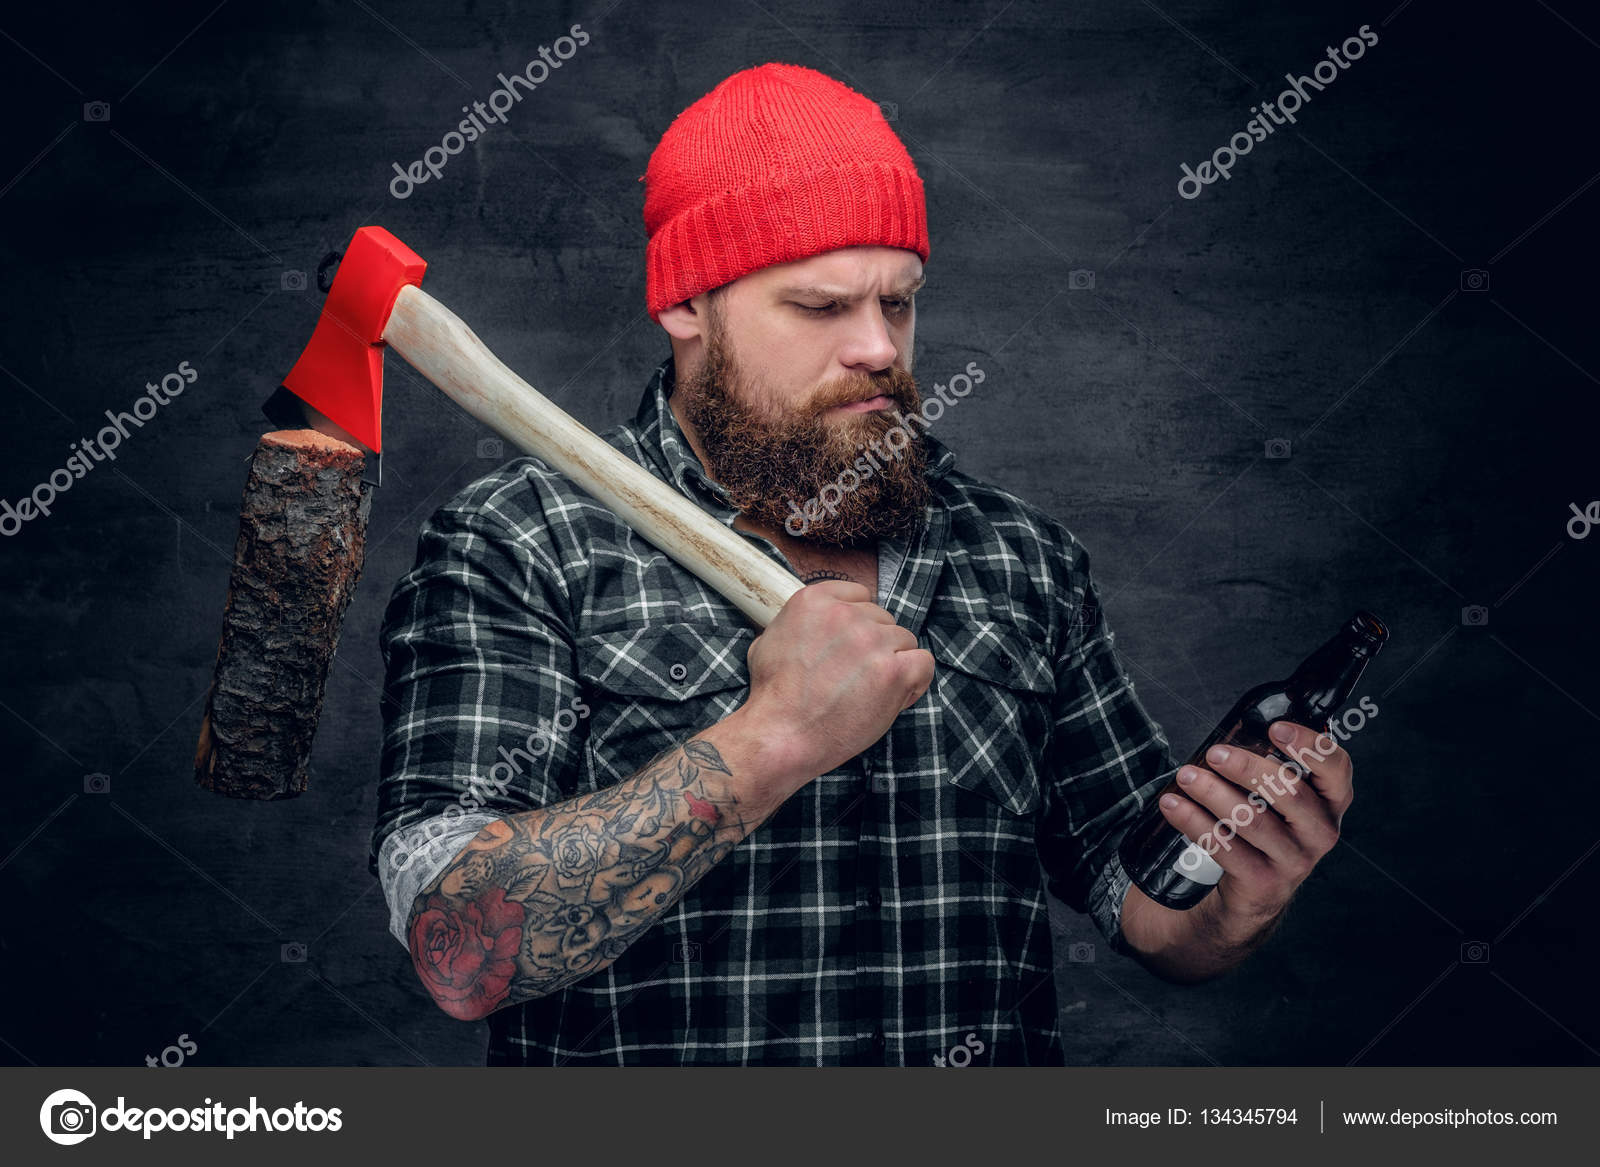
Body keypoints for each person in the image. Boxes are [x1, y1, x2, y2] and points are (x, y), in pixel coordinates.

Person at [368, 62, 1357, 1066]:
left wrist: (1235, 900)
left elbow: (1139, 901)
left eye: (900, 302)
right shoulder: (520, 541)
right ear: (686, 304)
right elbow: (458, 950)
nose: (880, 347)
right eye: (820, 306)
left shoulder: (1019, 557)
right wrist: (773, 740)